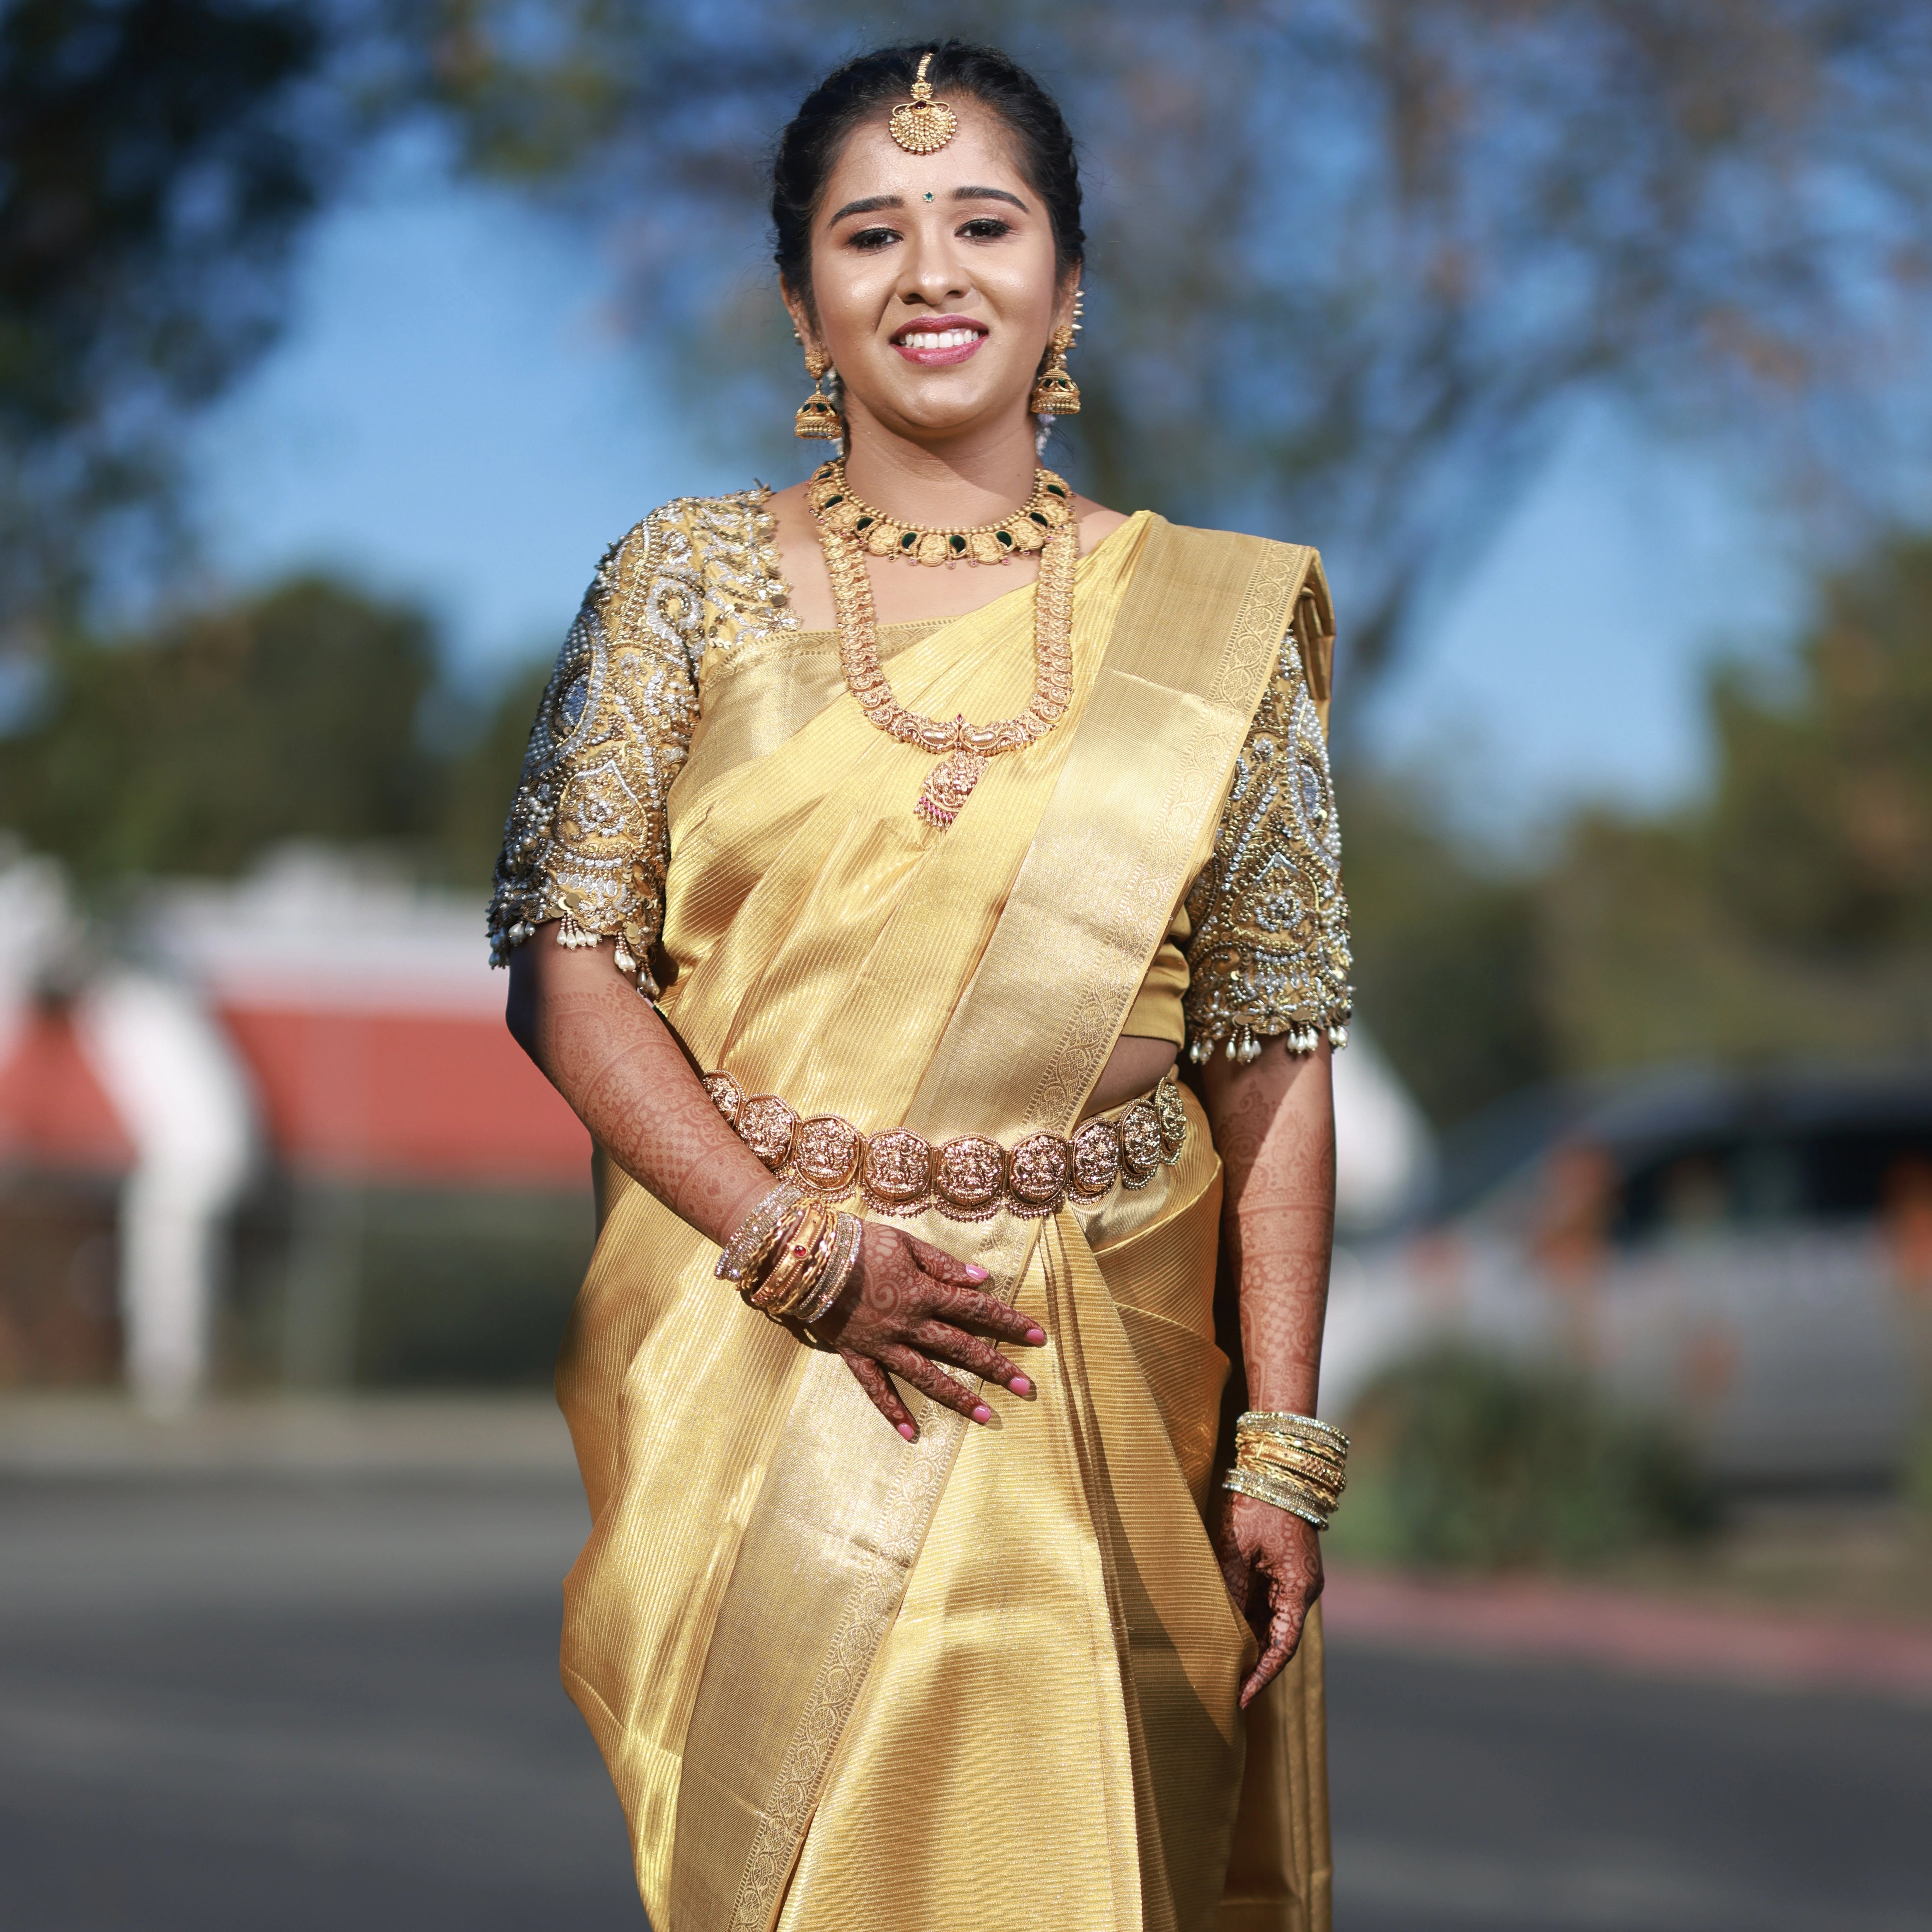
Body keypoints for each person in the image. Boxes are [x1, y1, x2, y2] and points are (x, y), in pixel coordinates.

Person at [491, 40, 1353, 1932]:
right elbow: (566, 967)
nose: (930, 270)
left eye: (984, 221)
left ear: (1066, 279)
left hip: (1099, 1362)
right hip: (766, 1342)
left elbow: (1272, 1051)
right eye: (867, 232)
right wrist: (799, 1251)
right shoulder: (686, 581)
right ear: (803, 300)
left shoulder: (1206, 625)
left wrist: (1280, 1440)